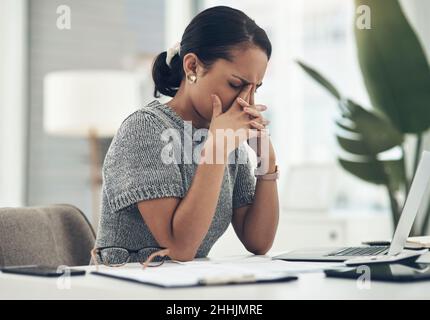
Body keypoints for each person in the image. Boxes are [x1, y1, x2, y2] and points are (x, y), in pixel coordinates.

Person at [94, 5, 279, 264]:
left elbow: (258, 242)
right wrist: (216, 150)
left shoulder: (224, 135)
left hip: (183, 286)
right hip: (125, 285)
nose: (246, 101)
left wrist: (266, 161)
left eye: (255, 88)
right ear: (192, 66)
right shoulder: (146, 129)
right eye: (235, 84)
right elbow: (178, 249)